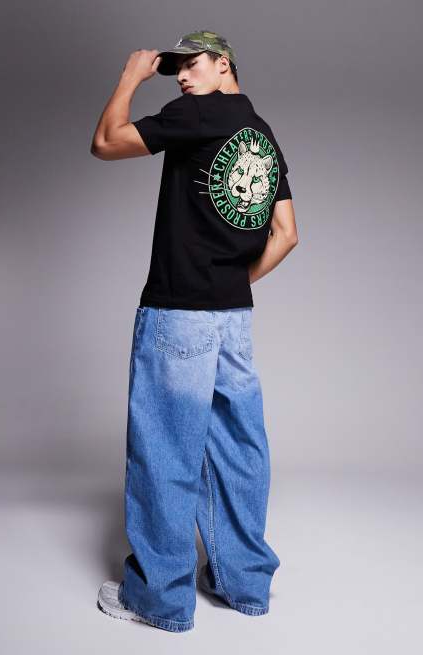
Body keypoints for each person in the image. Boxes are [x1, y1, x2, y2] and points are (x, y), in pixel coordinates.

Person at [90, 30, 298, 633]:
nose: (181, 77)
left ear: (222, 64)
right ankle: (245, 584)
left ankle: (159, 600)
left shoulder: (197, 114)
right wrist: (229, 282)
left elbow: (106, 143)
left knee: (165, 452)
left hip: (179, 311)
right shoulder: (261, 132)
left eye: (191, 65)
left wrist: (131, 76)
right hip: (234, 318)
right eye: (174, 69)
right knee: (239, 451)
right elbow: (287, 234)